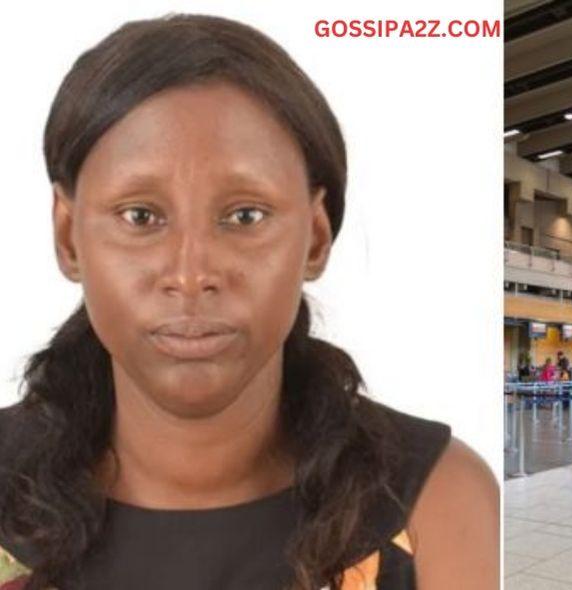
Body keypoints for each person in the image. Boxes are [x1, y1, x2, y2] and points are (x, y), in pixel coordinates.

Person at [0, 15, 498, 590]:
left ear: (314, 237)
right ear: (68, 238)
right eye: (141, 216)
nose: (191, 275)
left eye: (245, 216)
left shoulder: (435, 503)